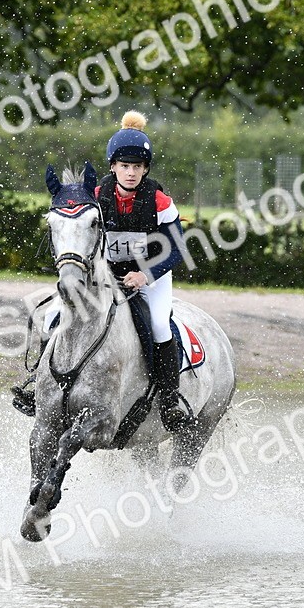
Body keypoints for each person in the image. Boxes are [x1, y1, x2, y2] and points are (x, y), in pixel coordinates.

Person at [96, 111, 193, 430]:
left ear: (145, 169)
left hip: (151, 276)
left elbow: (177, 249)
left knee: (158, 325)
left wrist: (145, 275)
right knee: (67, 310)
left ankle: (169, 400)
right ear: (113, 167)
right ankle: (39, 384)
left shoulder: (160, 201)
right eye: (124, 166)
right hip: (109, 276)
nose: (131, 172)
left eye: (137, 167)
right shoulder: (97, 197)